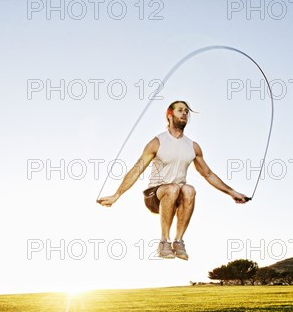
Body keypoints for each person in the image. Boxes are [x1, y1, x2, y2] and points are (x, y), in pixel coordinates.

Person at [97, 101, 249, 260]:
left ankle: (178, 241)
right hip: (155, 195)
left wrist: (232, 192)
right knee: (172, 188)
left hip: (178, 196)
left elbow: (208, 174)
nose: (184, 113)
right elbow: (137, 169)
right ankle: (164, 242)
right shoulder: (157, 142)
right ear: (169, 115)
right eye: (180, 110)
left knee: (189, 189)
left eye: (186, 112)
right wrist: (117, 194)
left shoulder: (193, 146)